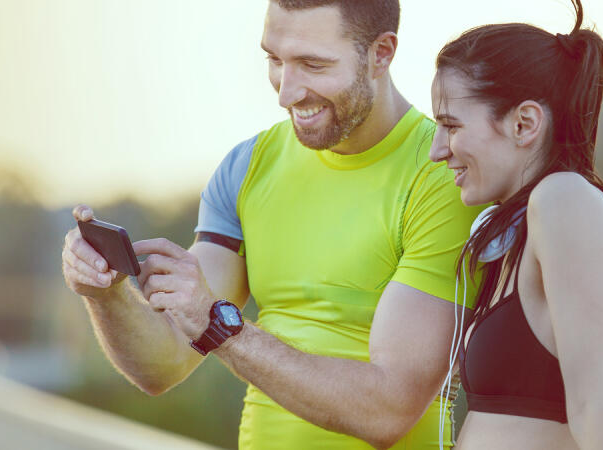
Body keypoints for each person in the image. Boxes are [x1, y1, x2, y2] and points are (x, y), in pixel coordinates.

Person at [61, 1, 484, 448]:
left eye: (312, 64)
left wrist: (220, 326)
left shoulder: (447, 177)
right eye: (275, 60)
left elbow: (388, 411)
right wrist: (105, 295)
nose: (286, 92)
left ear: (381, 53)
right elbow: (163, 365)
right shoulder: (247, 168)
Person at [428, 1, 603, 449]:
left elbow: (595, 414)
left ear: (524, 124)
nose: (437, 150)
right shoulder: (525, 227)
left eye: (450, 125)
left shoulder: (565, 199)